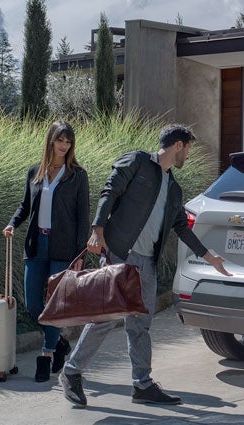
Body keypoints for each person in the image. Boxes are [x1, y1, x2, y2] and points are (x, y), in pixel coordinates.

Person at [59, 123, 230, 407]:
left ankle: (142, 385)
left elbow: (181, 227)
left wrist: (209, 256)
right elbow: (109, 191)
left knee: (140, 326)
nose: (188, 155)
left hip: (146, 263)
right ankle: (71, 371)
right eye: (188, 148)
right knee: (106, 318)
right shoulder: (137, 161)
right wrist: (97, 230)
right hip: (120, 254)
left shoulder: (173, 188)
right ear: (178, 145)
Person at [4, 120, 89, 383]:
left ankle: (46, 354)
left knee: (54, 305)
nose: (64, 146)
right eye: (60, 140)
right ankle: (60, 342)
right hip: (37, 244)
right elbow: (25, 206)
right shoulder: (35, 172)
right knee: (33, 305)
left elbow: (83, 217)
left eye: (68, 141)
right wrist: (12, 223)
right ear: (50, 141)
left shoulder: (77, 175)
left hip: (64, 248)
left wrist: (80, 255)